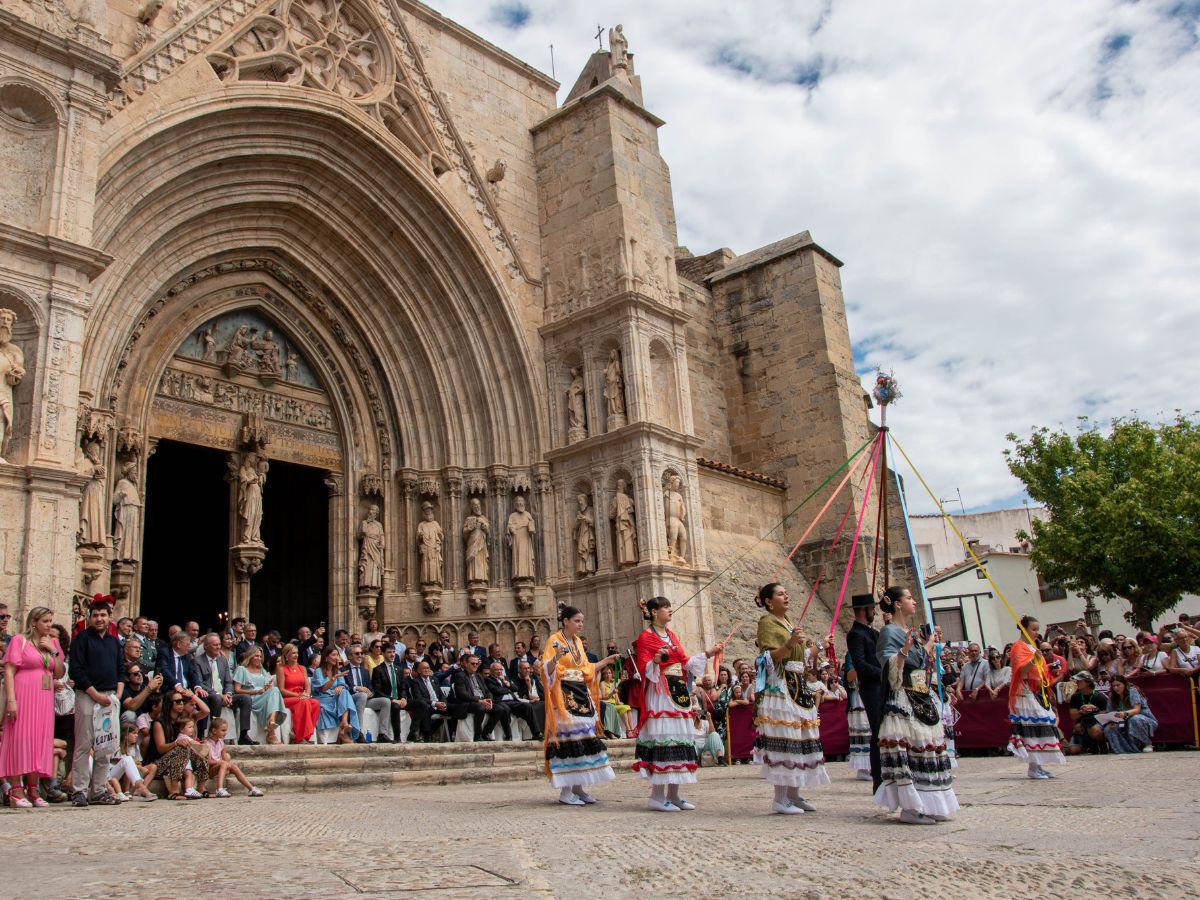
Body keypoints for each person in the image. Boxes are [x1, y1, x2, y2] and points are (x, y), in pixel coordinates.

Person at [873, 586, 958, 825]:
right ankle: (910, 808)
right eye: (909, 598)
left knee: (927, 747)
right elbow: (888, 664)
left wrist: (928, 644)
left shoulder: (908, 631)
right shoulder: (889, 632)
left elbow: (919, 661)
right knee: (911, 749)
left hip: (921, 695)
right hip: (904, 697)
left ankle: (929, 802)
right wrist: (908, 648)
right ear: (898, 604)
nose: (914, 602)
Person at [630, 596, 724, 812]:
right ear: (654, 612)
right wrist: (655, 659)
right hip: (661, 691)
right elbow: (644, 668)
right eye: (665, 608)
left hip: (677, 691)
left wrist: (709, 653)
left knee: (679, 739)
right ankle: (656, 796)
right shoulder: (646, 637)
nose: (670, 610)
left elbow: (684, 662)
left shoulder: (671, 635)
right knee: (664, 739)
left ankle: (673, 794)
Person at [753, 582, 830, 815]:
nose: (786, 596)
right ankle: (780, 797)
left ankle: (794, 794)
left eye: (786, 593)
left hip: (798, 685)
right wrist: (790, 642)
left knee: (800, 738)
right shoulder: (767, 623)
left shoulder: (789, 623)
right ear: (768, 601)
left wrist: (819, 646)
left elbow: (801, 657)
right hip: (782, 686)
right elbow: (770, 657)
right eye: (780, 594)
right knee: (785, 739)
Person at [541, 603, 616, 806]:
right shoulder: (554, 640)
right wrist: (556, 658)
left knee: (583, 739)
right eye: (577, 621)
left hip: (580, 692)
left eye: (582, 621)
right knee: (569, 741)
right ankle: (566, 790)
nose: (580, 624)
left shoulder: (577, 643)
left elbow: (586, 669)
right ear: (565, 621)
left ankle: (578, 787)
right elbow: (545, 668)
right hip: (563, 694)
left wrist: (606, 661)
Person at [1, 607, 65, 808]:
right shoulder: (20, 641)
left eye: (50, 620)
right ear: (34, 622)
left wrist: (53, 651)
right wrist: (11, 699)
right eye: (45, 621)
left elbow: (60, 672)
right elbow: (10, 671)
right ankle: (15, 790)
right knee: (19, 738)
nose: (48, 624)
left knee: (39, 739)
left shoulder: (52, 642)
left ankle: (33, 789)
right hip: (23, 693)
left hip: (44, 697)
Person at [68, 598, 124, 807]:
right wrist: (96, 695)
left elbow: (120, 669)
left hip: (109, 697)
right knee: (84, 744)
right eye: (95, 616)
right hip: (87, 696)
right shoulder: (81, 639)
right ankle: (79, 790)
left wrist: (117, 694)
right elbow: (77, 671)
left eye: (103, 615)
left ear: (110, 618)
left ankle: (99, 790)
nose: (99, 619)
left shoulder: (113, 642)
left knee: (106, 746)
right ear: (89, 618)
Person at [1007, 616, 1065, 779]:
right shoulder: (1018, 647)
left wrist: (1048, 667)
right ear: (1025, 629)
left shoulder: (1030, 646)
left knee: (1040, 727)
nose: (1036, 633)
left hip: (1034, 691)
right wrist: (1035, 660)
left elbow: (1036, 669)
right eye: (1034, 629)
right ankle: (1033, 767)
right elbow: (1022, 671)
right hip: (1023, 693)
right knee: (1033, 727)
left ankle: (1037, 765)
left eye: (1037, 629)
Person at [845, 593, 883, 790]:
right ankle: (878, 779)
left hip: (882, 686)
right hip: (872, 688)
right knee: (877, 732)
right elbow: (860, 664)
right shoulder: (856, 634)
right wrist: (883, 673)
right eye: (872, 608)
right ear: (864, 610)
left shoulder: (873, 633)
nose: (874, 611)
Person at [149, 690, 210, 800]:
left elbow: (206, 711)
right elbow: (161, 748)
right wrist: (176, 743)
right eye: (177, 701)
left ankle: (201, 787)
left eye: (182, 701)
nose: (181, 703)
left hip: (180, 762)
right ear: (169, 704)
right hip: (160, 764)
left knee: (202, 750)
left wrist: (193, 696)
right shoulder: (159, 723)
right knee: (181, 748)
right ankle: (174, 791)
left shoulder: (182, 720)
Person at [194, 632, 251, 742]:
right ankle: (211, 734)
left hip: (224, 695)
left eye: (219, 644)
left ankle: (243, 735)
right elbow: (200, 683)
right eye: (215, 645)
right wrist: (220, 695)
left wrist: (228, 694)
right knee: (216, 698)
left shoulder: (222, 660)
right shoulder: (198, 661)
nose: (219, 647)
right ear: (206, 646)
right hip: (210, 695)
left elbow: (228, 682)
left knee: (246, 699)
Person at [451, 653, 511, 740]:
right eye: (472, 663)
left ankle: (486, 732)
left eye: (476, 663)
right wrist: (479, 700)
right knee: (480, 708)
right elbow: (462, 694)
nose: (475, 665)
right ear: (466, 664)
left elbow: (487, 691)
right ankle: (477, 735)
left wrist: (489, 699)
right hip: (467, 703)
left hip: (482, 700)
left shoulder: (478, 675)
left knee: (500, 709)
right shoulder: (460, 676)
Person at [200, 717, 263, 797]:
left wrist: (227, 763)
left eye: (226, 730)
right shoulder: (206, 743)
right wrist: (219, 762)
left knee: (234, 767)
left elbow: (225, 759)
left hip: (219, 766)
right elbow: (206, 761)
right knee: (224, 764)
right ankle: (219, 789)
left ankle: (251, 788)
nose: (225, 733)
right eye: (223, 730)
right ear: (214, 731)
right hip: (209, 769)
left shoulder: (221, 742)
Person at [232, 646, 284, 744]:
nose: (259, 658)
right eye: (256, 656)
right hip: (250, 698)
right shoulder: (242, 669)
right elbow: (237, 690)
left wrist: (267, 687)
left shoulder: (262, 670)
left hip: (263, 696)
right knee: (275, 691)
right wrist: (256, 692)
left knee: (274, 690)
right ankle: (271, 732)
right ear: (250, 656)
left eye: (260, 656)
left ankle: (271, 722)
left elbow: (268, 686)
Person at [275, 643, 319, 743]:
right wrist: (298, 695)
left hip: (301, 697)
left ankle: (306, 735)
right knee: (304, 702)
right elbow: (281, 690)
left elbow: (307, 686)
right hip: (287, 698)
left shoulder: (302, 668)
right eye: (293, 653)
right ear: (286, 655)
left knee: (316, 703)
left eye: (297, 653)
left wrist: (307, 694)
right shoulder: (281, 668)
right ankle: (300, 737)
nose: (296, 655)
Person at [311, 646, 357, 744]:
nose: (336, 658)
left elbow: (343, 684)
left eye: (337, 655)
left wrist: (341, 686)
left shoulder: (338, 671)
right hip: (322, 698)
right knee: (344, 697)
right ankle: (343, 732)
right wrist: (334, 678)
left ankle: (344, 723)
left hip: (334, 698)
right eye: (334, 655)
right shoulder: (318, 671)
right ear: (326, 658)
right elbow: (323, 688)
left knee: (345, 692)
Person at [486, 661, 541, 740]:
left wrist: (505, 682)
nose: (499, 672)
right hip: (501, 702)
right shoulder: (488, 680)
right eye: (496, 670)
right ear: (491, 671)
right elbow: (496, 690)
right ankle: (508, 735)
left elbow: (515, 689)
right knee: (506, 709)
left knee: (528, 706)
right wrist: (508, 688)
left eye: (501, 670)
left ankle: (536, 733)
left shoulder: (505, 678)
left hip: (513, 701)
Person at [368, 642, 412, 742]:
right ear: (383, 654)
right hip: (388, 700)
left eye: (393, 652)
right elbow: (378, 691)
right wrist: (393, 700)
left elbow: (403, 688)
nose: (392, 655)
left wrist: (403, 698)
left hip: (400, 700)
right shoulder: (378, 670)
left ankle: (413, 734)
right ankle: (397, 736)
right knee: (395, 706)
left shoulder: (399, 669)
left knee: (421, 704)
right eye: (389, 652)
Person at [1104, 674, 1158, 753]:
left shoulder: (1132, 691)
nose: (1116, 688)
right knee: (1109, 728)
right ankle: (1123, 749)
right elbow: (1110, 712)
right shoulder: (1112, 696)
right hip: (1122, 721)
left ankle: (1147, 743)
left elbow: (1137, 709)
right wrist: (1111, 721)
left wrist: (1124, 713)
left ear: (1124, 684)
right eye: (1113, 686)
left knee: (1134, 719)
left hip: (1142, 718)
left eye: (1118, 685)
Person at [105, 722, 156, 802]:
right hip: (111, 774)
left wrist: (139, 765)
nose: (136, 735)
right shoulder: (117, 746)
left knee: (152, 766)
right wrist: (139, 767)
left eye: (137, 733)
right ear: (125, 735)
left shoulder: (136, 747)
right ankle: (133, 790)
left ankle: (141, 788)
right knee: (128, 759)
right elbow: (119, 761)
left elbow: (139, 762)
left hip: (123, 773)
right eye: (134, 733)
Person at [405, 659, 452, 741]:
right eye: (424, 668)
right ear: (419, 671)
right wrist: (435, 703)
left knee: (453, 709)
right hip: (428, 705)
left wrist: (444, 704)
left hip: (439, 705)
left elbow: (441, 694)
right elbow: (419, 698)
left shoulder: (434, 680)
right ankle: (427, 735)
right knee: (425, 707)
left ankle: (451, 736)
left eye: (428, 668)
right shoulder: (415, 682)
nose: (426, 670)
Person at [843, 655, 872, 782]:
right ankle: (863, 768)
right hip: (858, 698)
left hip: (871, 693)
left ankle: (872, 766)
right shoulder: (852, 655)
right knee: (863, 728)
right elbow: (849, 677)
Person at [1065, 671, 1108, 755]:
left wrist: (1094, 709)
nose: (1077, 682)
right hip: (1081, 725)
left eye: (1080, 681)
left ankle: (1103, 747)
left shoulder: (1100, 696)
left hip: (1096, 724)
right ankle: (1088, 747)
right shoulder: (1075, 697)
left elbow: (1104, 714)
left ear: (1088, 682)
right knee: (1071, 750)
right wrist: (1082, 711)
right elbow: (1073, 715)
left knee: (1094, 730)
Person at [343, 645, 374, 743]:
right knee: (361, 695)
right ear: (350, 656)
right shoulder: (344, 670)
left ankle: (384, 733)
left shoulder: (365, 671)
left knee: (385, 701)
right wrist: (357, 688)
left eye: (361, 653)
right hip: (350, 698)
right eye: (357, 653)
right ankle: (358, 731)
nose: (360, 655)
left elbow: (371, 688)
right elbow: (344, 687)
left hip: (365, 699)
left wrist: (370, 693)